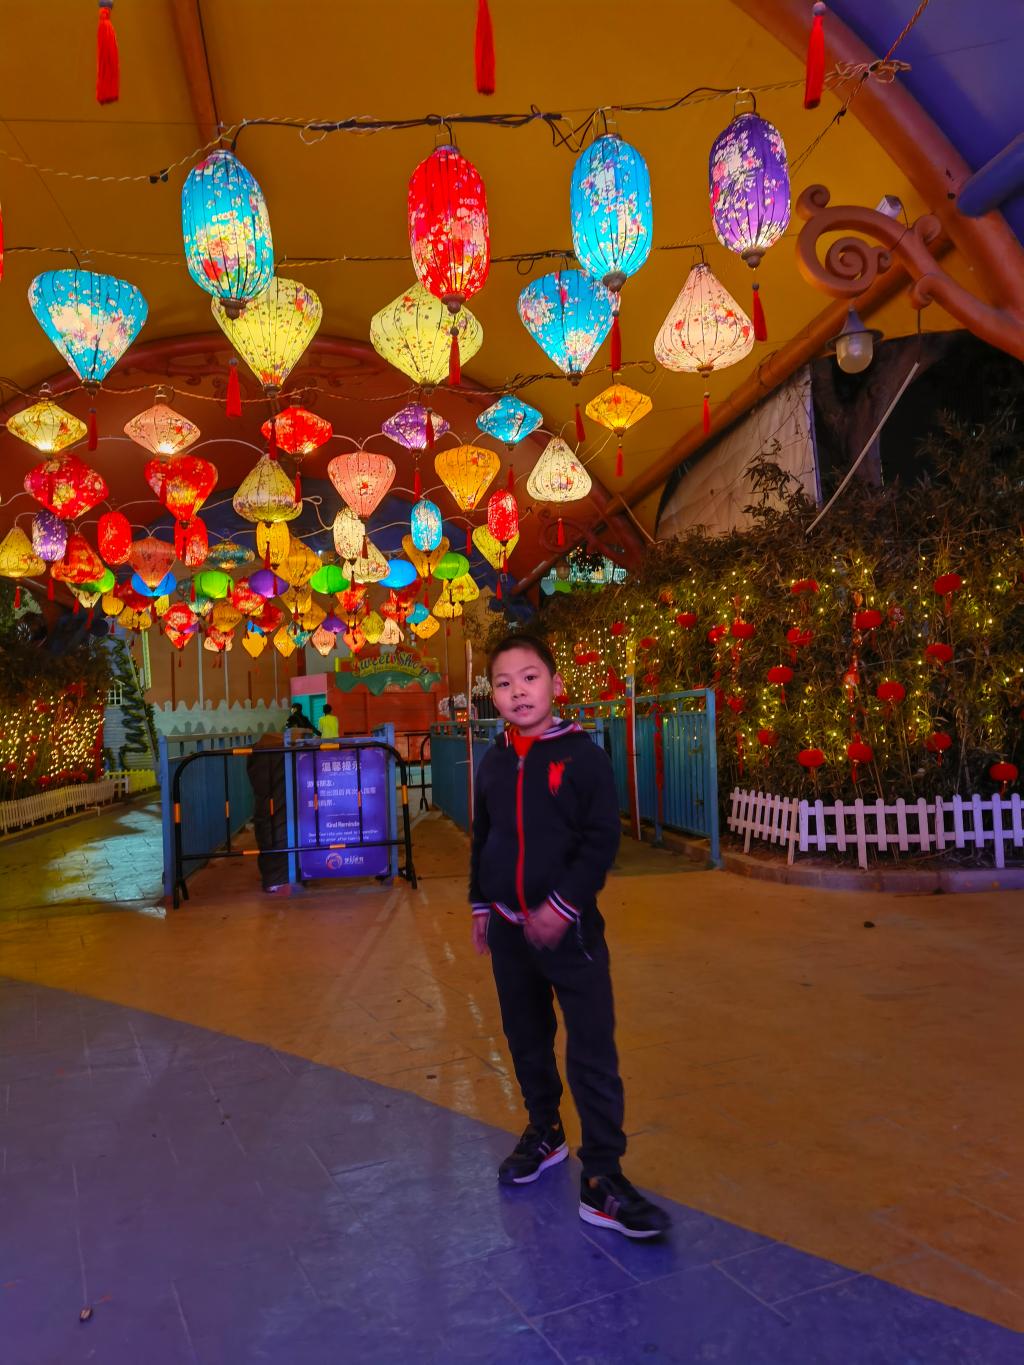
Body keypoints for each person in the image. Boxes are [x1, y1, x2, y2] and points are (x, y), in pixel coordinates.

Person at [469, 634, 671, 1240]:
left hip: (571, 933)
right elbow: (485, 835)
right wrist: (481, 903)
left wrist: (562, 905)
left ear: (555, 685)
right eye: (504, 683)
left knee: (591, 1051)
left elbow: (601, 839)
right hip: (509, 932)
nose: (518, 692)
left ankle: (603, 1176)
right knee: (526, 1039)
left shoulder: (583, 756)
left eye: (530, 678)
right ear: (492, 696)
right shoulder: (493, 760)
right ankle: (545, 1131)